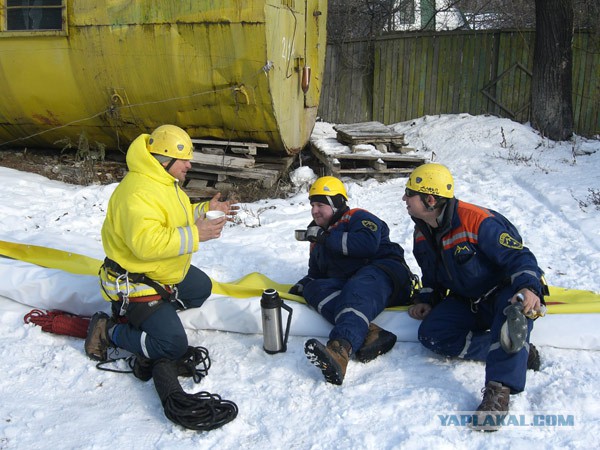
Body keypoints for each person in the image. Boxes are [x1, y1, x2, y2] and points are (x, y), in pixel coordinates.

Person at [403, 163, 548, 431]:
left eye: (409, 193)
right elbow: (432, 276)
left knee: (512, 317)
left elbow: (519, 256)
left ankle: (498, 391)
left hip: (503, 292)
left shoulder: (477, 220)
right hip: (468, 298)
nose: (404, 199)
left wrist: (529, 288)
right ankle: (517, 352)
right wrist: (427, 299)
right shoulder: (421, 231)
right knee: (432, 334)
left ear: (430, 199)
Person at [85, 124, 237, 366]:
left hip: (159, 272)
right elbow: (146, 244)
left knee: (201, 287)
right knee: (172, 345)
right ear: (164, 159)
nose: (189, 165)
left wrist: (206, 209)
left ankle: (156, 311)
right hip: (135, 281)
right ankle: (110, 330)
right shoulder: (137, 192)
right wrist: (196, 234)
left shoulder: (163, 182)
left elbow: (176, 215)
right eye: (184, 160)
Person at [291, 176, 416, 385]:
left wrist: (325, 238)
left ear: (337, 203)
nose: (314, 211)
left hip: (385, 273)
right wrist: (305, 283)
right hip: (353, 283)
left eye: (320, 204)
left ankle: (341, 348)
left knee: (359, 285)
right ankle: (371, 333)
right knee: (314, 289)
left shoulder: (356, 217)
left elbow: (366, 245)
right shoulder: (318, 237)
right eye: (312, 205)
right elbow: (316, 272)